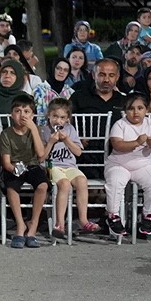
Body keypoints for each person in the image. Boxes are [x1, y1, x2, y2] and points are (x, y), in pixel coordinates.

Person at [103, 94, 151, 238]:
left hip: (143, 164)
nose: (136, 112)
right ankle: (113, 215)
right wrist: (137, 142)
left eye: (140, 108)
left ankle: (148, 215)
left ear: (146, 110)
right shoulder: (120, 124)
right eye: (131, 109)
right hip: (119, 163)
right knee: (116, 182)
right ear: (125, 111)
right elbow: (117, 145)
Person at [42, 98, 98, 239]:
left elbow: (78, 152)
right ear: (48, 115)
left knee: (81, 181)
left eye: (62, 118)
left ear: (67, 119)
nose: (58, 121)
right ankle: (60, 224)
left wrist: (67, 140)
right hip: (52, 166)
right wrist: (51, 142)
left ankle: (83, 220)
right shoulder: (43, 130)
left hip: (70, 166)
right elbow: (41, 157)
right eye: (55, 116)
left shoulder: (70, 130)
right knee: (65, 184)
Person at [0, 95, 49, 246]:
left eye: (26, 111)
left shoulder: (35, 130)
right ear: (12, 114)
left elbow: (40, 155)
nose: (22, 115)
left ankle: (33, 224)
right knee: (11, 188)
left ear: (32, 115)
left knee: (43, 185)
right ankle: (20, 225)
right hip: (14, 166)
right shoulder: (6, 134)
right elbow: (6, 162)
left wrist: (33, 129)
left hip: (32, 165)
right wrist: (14, 170)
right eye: (18, 111)